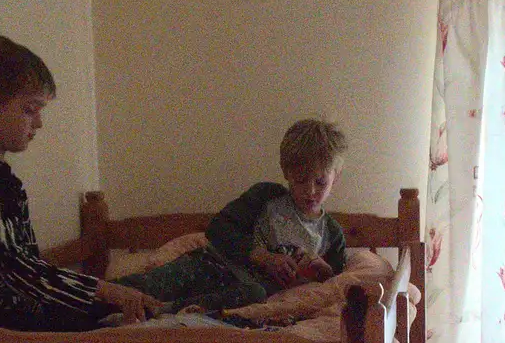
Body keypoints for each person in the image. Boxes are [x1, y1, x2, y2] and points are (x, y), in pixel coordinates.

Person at [0, 36, 160, 329]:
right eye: (29, 109)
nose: (38, 123)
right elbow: (18, 272)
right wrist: (106, 291)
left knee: (128, 308)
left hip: (10, 320)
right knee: (120, 317)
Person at [117, 119, 349, 314]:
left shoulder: (332, 235)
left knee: (254, 293)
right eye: (300, 180)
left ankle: (164, 311)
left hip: (245, 291)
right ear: (286, 172)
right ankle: (89, 297)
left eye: (320, 182)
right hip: (211, 264)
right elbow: (218, 229)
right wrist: (264, 257)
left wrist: (324, 270)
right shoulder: (266, 197)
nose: (310, 191)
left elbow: (337, 283)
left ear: (336, 177)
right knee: (140, 287)